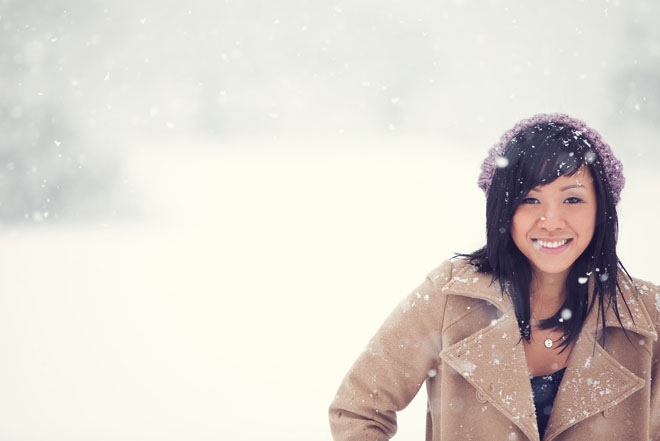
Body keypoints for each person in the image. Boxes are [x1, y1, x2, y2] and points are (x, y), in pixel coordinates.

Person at [328, 113, 660, 441]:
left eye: (572, 199)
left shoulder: (648, 316)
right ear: (503, 210)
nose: (551, 221)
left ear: (602, 208)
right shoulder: (448, 297)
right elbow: (356, 412)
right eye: (530, 199)